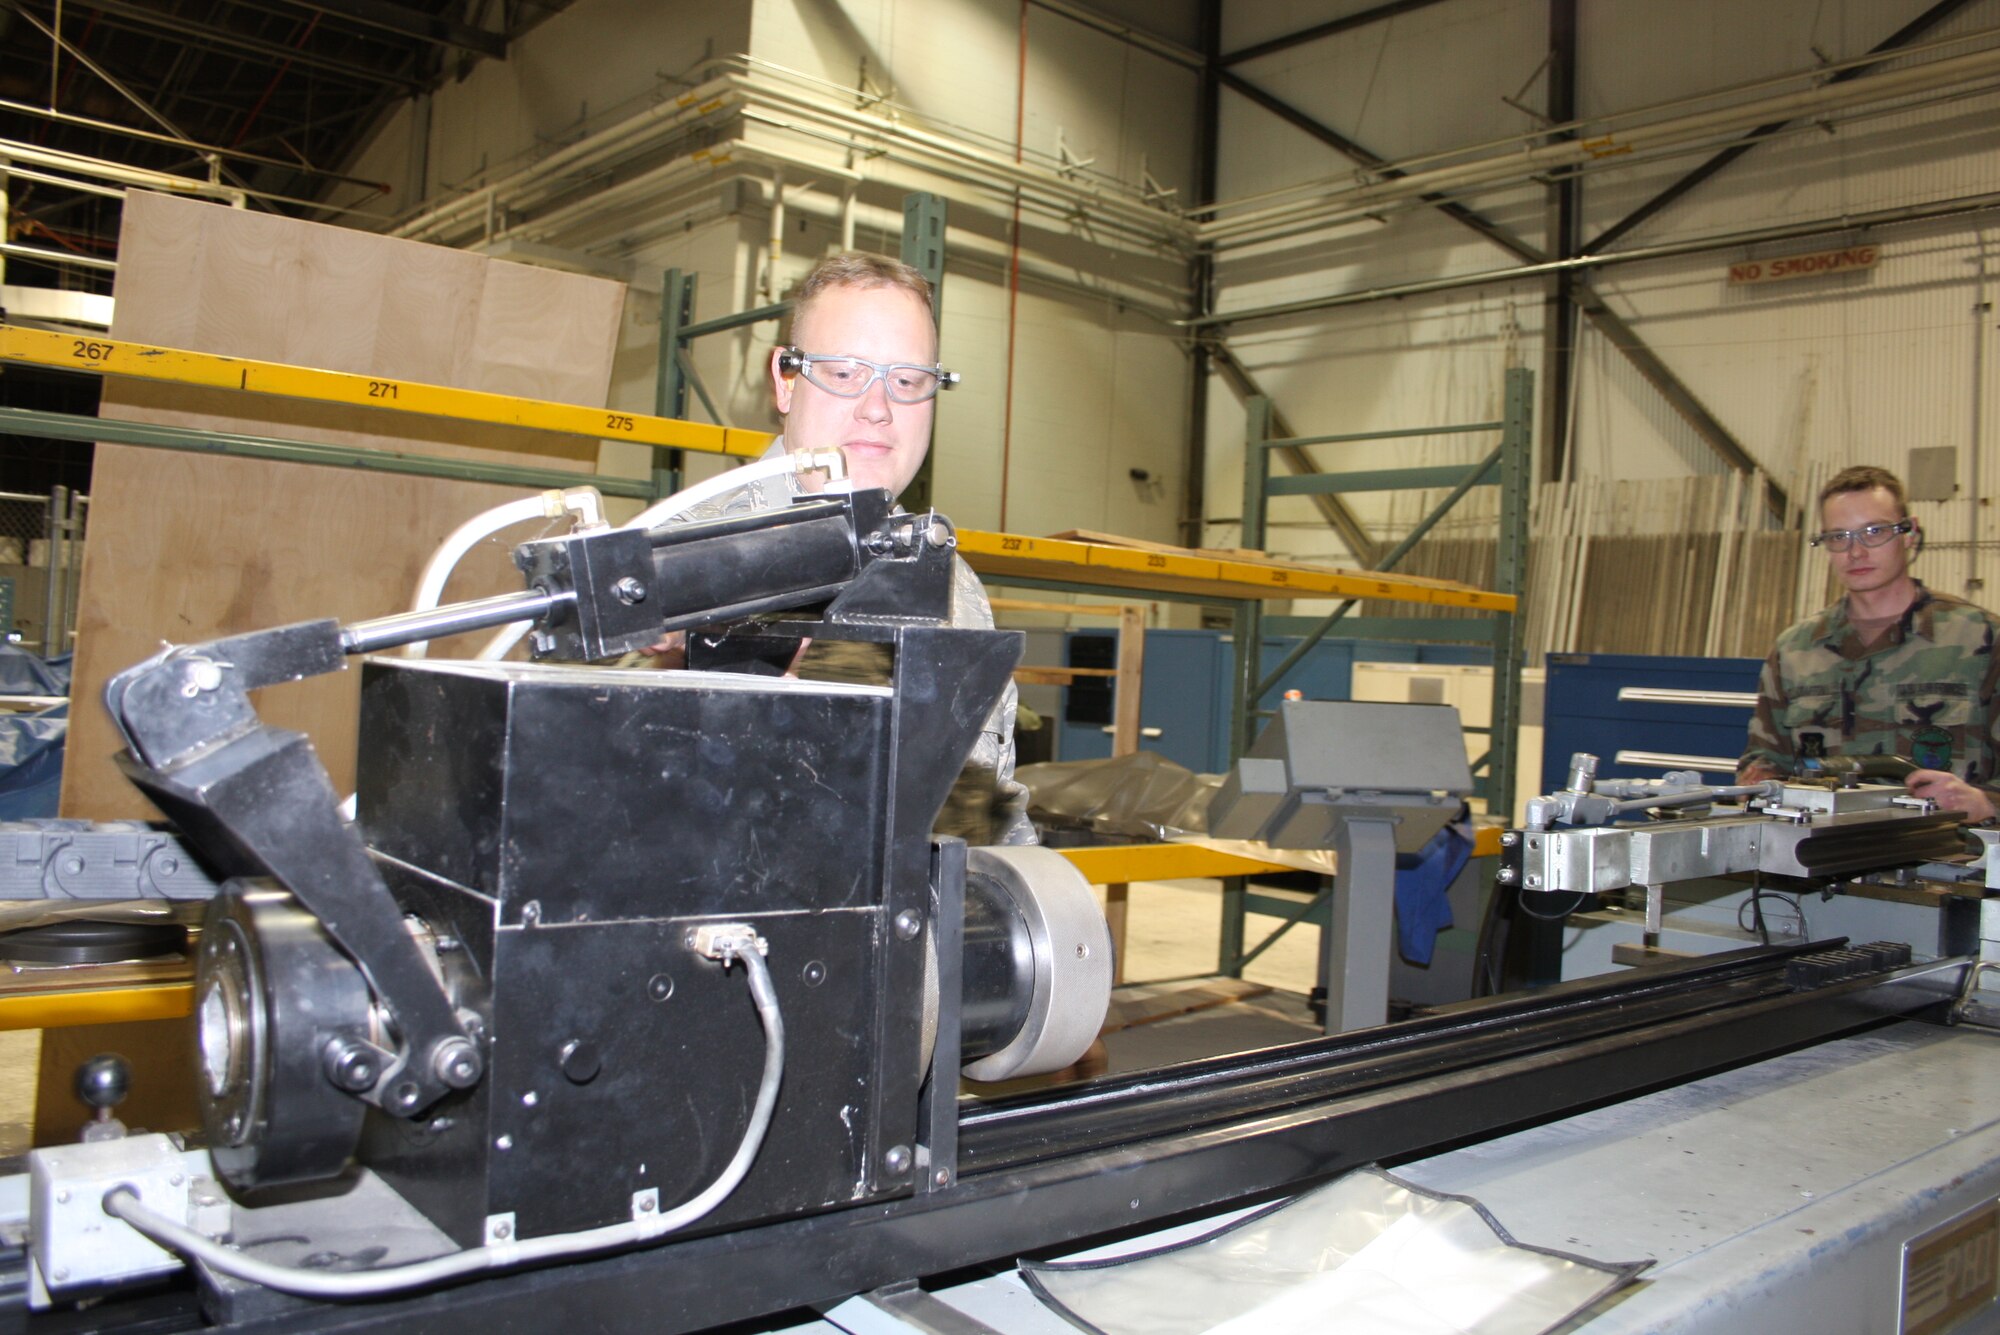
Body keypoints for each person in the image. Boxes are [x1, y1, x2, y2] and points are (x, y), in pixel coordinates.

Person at [1738, 464, 2000, 823]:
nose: (1855, 552)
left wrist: (1985, 802)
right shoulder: (1796, 651)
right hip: (1819, 863)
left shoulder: (1979, 639)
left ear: (1909, 533)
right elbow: (1765, 759)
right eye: (1838, 537)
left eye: (1874, 532)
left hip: (1945, 862)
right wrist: (1760, 785)